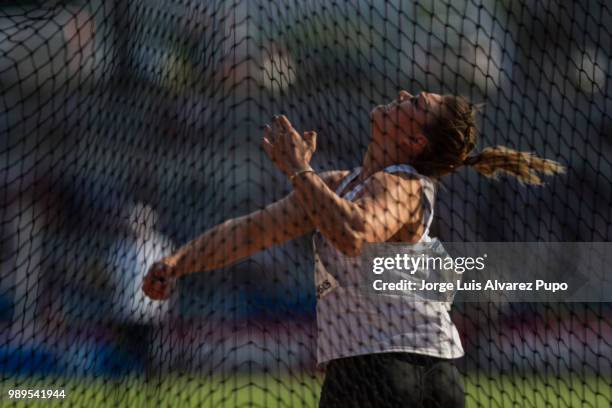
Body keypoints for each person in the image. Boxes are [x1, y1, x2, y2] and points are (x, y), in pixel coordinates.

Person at [142, 90, 564, 407]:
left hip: (396, 372)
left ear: (415, 141)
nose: (402, 95)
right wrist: (179, 262)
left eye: (414, 103)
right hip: (375, 373)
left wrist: (298, 170)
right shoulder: (340, 186)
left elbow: (355, 235)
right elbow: (251, 232)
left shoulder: (402, 183)